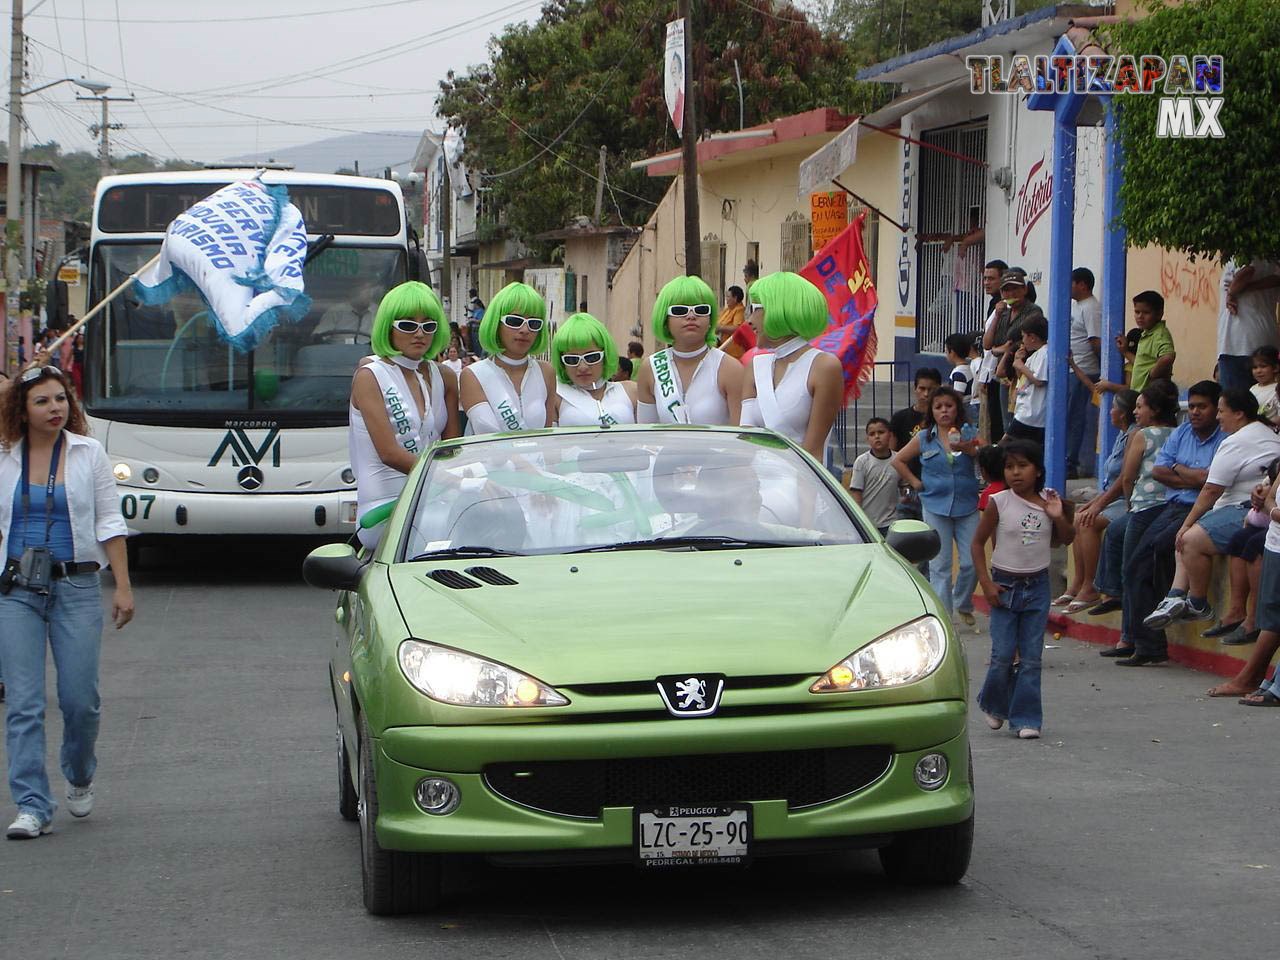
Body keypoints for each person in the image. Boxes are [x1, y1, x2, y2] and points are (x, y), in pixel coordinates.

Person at [0, 365, 133, 839]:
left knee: (80, 702)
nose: (55, 408)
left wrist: (122, 585)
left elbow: (109, 521)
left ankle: (79, 772)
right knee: (23, 703)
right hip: (16, 590)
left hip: (75, 586)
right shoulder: (5, 457)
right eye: (42, 401)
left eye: (61, 399)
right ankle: (32, 804)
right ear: (22, 410)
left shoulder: (88, 453)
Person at [1142, 389, 1280, 631]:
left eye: (1221, 411)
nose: (1218, 417)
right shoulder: (1266, 433)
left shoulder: (1237, 441)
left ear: (1238, 414)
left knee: (1189, 538)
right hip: (1247, 510)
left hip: (1243, 510)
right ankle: (1175, 596)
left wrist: (1186, 524)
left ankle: (1196, 602)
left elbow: (1210, 490)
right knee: (1184, 536)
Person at [1117, 380, 1223, 666]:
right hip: (1172, 505)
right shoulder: (1183, 432)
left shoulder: (1224, 438)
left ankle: (1171, 604)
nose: (1196, 412)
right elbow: (1161, 471)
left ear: (1217, 409)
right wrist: (1189, 474)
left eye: (1203, 407)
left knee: (1156, 551)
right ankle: (1147, 643)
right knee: (1135, 566)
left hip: (1203, 509)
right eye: (1193, 407)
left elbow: (1210, 483)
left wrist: (1179, 470)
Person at [973, 439, 1072, 739]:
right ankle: (994, 702)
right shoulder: (998, 502)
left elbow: (1067, 538)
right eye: (1009, 466)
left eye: (1023, 466)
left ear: (1038, 470)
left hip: (1037, 587)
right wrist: (987, 584)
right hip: (1004, 585)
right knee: (1003, 654)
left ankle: (1027, 718)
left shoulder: (1049, 501)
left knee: (1030, 657)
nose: (1016, 472)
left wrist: (1057, 516)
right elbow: (977, 543)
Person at [348, 282, 458, 548]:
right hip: (385, 507)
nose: (419, 334)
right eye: (408, 325)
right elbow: (389, 453)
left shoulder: (444, 376)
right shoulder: (370, 375)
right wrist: (456, 480)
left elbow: (452, 448)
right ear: (389, 326)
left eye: (428, 326)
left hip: (435, 496)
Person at [1092, 383, 1179, 651]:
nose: (1136, 412)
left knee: (1132, 570)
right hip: (1168, 507)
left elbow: (1128, 477)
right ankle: (1117, 605)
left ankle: (1130, 635)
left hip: (1143, 507)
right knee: (1118, 538)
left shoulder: (1142, 435)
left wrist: (1130, 502)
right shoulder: (1177, 433)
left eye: (1140, 407)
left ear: (1154, 410)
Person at [891, 385, 983, 623]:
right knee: (940, 565)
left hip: (967, 504)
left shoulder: (969, 433)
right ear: (931, 411)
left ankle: (963, 601)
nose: (944, 411)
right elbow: (898, 460)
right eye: (938, 407)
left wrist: (969, 449)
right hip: (934, 505)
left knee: (971, 561)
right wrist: (915, 482)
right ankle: (945, 617)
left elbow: (986, 459)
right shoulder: (923, 437)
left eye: (949, 406)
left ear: (957, 409)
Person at [739, 271, 842, 460]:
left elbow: (814, 453)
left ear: (781, 310)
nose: (749, 320)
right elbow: (744, 440)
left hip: (800, 483)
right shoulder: (755, 366)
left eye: (755, 308)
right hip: (753, 483)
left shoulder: (824, 366)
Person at [1056, 389, 1139, 613]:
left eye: (1113, 407)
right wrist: (1094, 503)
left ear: (1122, 413)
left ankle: (1090, 585)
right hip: (1114, 498)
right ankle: (1078, 582)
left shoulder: (1134, 435)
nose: (1109, 412)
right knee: (1078, 517)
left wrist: (1099, 505)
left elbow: (1124, 479)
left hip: (1127, 500)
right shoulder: (1121, 436)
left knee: (1089, 522)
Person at [637, 275, 742, 426]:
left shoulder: (731, 368)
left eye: (700, 310)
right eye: (680, 310)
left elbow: (741, 438)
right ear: (665, 320)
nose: (691, 316)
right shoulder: (650, 368)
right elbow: (645, 436)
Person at [459, 282, 557, 434]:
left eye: (534, 323)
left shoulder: (547, 372)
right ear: (496, 323)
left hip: (539, 457)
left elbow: (548, 435)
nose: (525, 330)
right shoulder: (473, 375)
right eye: (514, 321)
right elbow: (486, 431)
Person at [552, 312, 637, 426]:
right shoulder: (554, 394)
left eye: (592, 357)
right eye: (572, 359)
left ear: (605, 355)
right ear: (562, 362)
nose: (582, 367)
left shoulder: (631, 390)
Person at [983, 271, 1044, 423]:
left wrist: (1003, 349)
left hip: (1022, 374)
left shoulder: (1033, 311)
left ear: (1024, 290)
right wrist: (996, 316)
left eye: (1015, 289)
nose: (1011, 293)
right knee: (1006, 422)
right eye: (1006, 290)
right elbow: (987, 344)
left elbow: (1021, 343)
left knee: (1020, 420)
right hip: (1004, 376)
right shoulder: (1003, 313)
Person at [1217, 259, 1280, 392]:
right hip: (1266, 341)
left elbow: (1247, 271)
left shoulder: (1240, 257)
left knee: (1235, 403)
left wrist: (1232, 293)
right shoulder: (1272, 261)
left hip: (1236, 345)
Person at [889, 367, 943, 520]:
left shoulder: (944, 421)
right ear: (915, 389)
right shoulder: (900, 418)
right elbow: (892, 453)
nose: (926, 394)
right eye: (922, 388)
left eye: (931, 389)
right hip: (908, 489)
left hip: (936, 488)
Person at [1067, 267, 1102, 477]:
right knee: (1070, 416)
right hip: (1073, 369)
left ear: (1082, 284)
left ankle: (1072, 462)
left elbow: (1095, 341)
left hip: (1085, 370)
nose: (1068, 287)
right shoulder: (1077, 306)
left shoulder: (1090, 308)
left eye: (1071, 282)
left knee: (1076, 417)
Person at [1004, 315, 1049, 446]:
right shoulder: (1034, 355)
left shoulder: (1044, 354)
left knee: (1007, 443)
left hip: (1031, 413)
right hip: (1023, 408)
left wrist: (1021, 366)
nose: (1023, 341)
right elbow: (1023, 378)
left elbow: (1039, 380)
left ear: (1033, 337)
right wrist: (1018, 361)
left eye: (1024, 336)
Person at [850, 417, 898, 534]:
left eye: (881, 432)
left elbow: (904, 486)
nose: (877, 436)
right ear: (868, 439)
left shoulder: (898, 460)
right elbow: (856, 494)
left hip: (892, 523)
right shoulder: (862, 462)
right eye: (872, 434)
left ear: (890, 435)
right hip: (868, 524)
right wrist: (860, 521)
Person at [1123, 291, 1175, 392]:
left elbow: (1167, 357)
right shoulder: (1147, 333)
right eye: (1137, 312)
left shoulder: (1159, 334)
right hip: (1141, 394)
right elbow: (1143, 363)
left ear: (1159, 314)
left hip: (1151, 396)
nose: (1140, 316)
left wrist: (1153, 374)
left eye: (1146, 312)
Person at [314, 282, 378, 342]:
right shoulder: (336, 311)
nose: (368, 296)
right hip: (338, 350)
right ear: (353, 294)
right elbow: (318, 336)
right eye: (364, 293)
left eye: (369, 293)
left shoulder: (377, 311)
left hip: (368, 351)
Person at [1249, 345, 1280, 423]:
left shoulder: (1277, 389)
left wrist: (1265, 424)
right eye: (1255, 367)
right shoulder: (1252, 389)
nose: (1258, 371)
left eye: (1263, 366)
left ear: (1275, 368)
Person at [944, 333, 974, 406]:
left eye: (946, 351)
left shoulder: (959, 373)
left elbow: (958, 396)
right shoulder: (968, 368)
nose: (946, 354)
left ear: (952, 352)